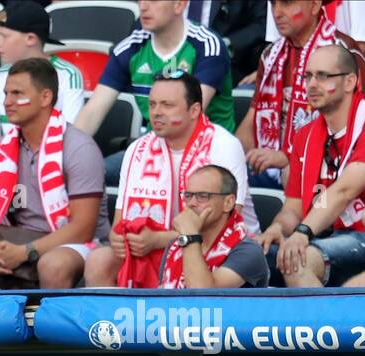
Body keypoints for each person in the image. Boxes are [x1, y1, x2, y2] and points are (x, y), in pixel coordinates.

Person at [84, 72, 257, 288]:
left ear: (194, 110)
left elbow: (226, 225)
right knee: (99, 261)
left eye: (167, 105)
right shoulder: (137, 149)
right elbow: (119, 222)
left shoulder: (223, 145)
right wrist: (121, 238)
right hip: (152, 248)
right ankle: (113, 323)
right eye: (153, 104)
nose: (156, 112)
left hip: (214, 247)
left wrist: (157, 240)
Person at [0, 58, 107, 290]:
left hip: (76, 244)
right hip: (15, 237)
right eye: (6, 93)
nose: (7, 102)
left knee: (53, 264)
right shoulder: (1, 148)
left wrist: (26, 252)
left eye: (17, 93)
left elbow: (83, 228)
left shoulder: (79, 148)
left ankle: (51, 327)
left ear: (45, 98)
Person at [76, 0, 235, 185]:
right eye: (141, 0)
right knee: (85, 175)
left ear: (179, 5)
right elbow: (92, 112)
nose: (143, 7)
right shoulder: (130, 48)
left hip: (208, 153)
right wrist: (65, 157)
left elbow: (188, 118)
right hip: (154, 148)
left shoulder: (207, 45)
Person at [260, 44, 365, 287]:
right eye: (307, 76)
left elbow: (344, 191)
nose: (311, 84)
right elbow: (294, 208)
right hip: (321, 235)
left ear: (350, 82)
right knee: (253, 260)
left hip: (363, 235)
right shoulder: (305, 135)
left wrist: (302, 232)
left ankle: (330, 325)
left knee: (296, 260)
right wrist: (278, 228)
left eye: (323, 76)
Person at [240, 0, 365, 189]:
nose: (277, 12)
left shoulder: (344, 53)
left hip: (325, 174)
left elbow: (355, 132)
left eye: (287, 3)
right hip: (266, 167)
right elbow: (250, 124)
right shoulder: (270, 55)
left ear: (315, 5)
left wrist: (288, 158)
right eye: (273, 4)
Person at [0, 3, 86, 184]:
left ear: (30, 38)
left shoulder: (67, 75)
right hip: (7, 168)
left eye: (4, 36)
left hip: (50, 172)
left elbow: (70, 135)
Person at [160, 164, 269, 286]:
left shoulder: (248, 251)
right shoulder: (175, 245)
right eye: (188, 196)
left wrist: (189, 235)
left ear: (228, 202)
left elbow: (203, 297)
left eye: (202, 196)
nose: (191, 203)